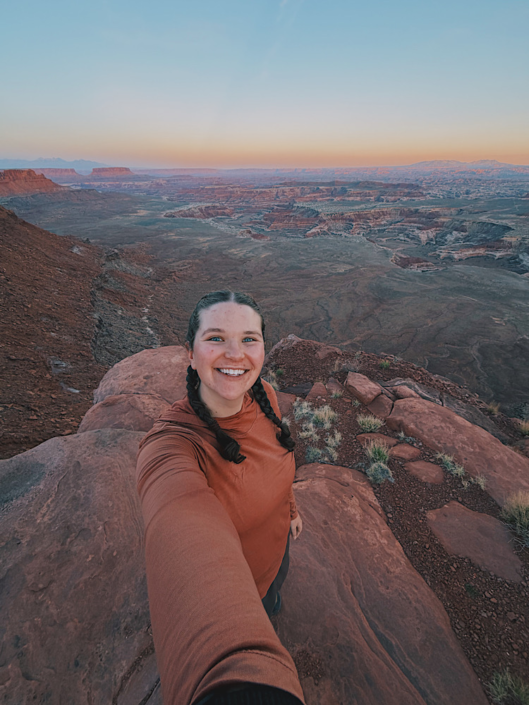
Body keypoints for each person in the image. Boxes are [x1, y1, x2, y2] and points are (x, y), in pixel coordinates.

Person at [136, 291, 305, 705]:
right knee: (259, 609)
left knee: (273, 595)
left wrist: (290, 510)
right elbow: (179, 520)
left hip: (276, 548)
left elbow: (276, 461)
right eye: (216, 339)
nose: (236, 353)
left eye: (249, 338)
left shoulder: (263, 395)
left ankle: (271, 599)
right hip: (237, 583)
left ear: (264, 347)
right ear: (191, 354)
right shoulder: (174, 444)